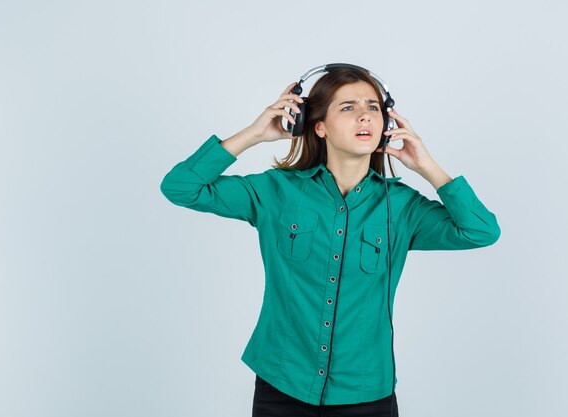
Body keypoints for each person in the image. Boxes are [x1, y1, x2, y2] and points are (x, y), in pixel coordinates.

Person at [160, 67, 501, 417]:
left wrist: (427, 166)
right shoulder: (276, 191)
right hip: (282, 384)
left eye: (373, 106)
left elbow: (480, 231)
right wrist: (254, 134)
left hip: (366, 393)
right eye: (348, 107)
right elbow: (181, 187)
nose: (365, 114)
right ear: (317, 125)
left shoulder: (401, 207)